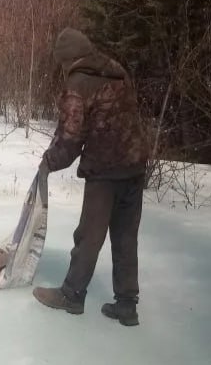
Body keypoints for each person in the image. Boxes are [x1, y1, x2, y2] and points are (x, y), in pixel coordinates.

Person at [33, 28, 149, 327]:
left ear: (68, 59)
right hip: (134, 167)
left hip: (105, 170)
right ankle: (126, 305)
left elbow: (71, 136)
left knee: (89, 236)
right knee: (125, 237)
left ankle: (72, 295)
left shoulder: (79, 82)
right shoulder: (117, 71)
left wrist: (49, 162)